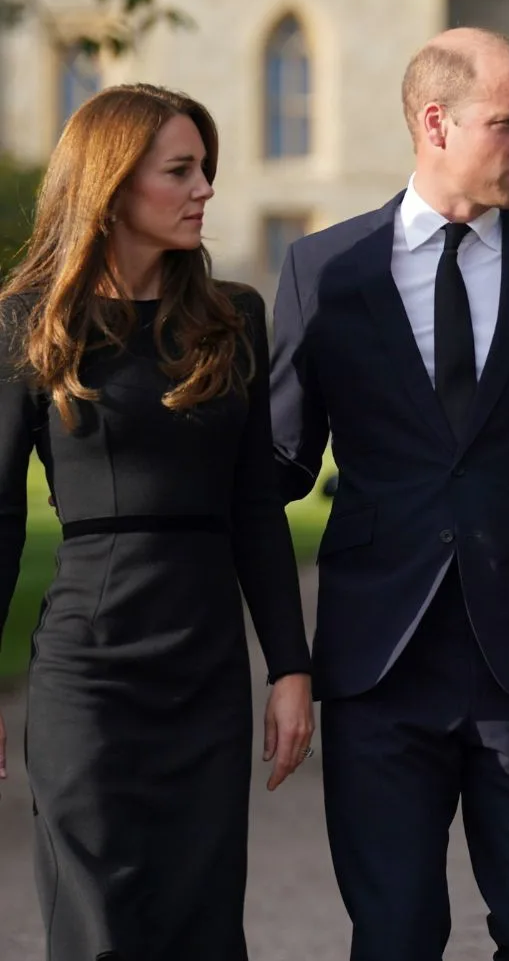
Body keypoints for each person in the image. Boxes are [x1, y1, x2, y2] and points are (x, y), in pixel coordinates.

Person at [269, 28, 509, 960]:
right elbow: (274, 467)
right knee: (393, 934)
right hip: (378, 664)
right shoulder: (326, 271)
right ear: (435, 123)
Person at [0, 83, 314, 960]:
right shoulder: (29, 323)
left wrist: (289, 666)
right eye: (180, 171)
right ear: (112, 186)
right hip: (86, 673)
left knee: (201, 923)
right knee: (97, 923)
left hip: (205, 666)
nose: (204, 187)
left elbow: (256, 508)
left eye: (205, 167)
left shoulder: (233, 318)